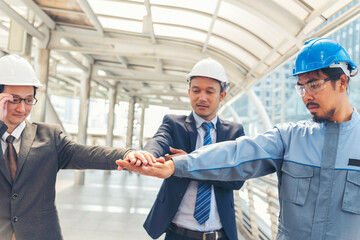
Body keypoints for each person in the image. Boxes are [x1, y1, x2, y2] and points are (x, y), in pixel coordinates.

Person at [116, 38, 360, 240]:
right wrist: (174, 165)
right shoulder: (289, 138)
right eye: (301, 87)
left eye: (314, 85)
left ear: (342, 81)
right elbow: (237, 154)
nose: (306, 95)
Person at [0, 54, 155, 240]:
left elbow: (88, 153)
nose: (22, 109)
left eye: (28, 100)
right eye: (14, 100)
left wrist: (128, 153)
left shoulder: (49, 136)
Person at [142, 58, 245, 240]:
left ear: (222, 95)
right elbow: (159, 140)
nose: (202, 97)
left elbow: (237, 180)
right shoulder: (174, 124)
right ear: (189, 93)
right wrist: (146, 155)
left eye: (209, 91)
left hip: (219, 235)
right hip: (178, 233)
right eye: (196, 91)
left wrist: (188, 164)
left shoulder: (234, 132)